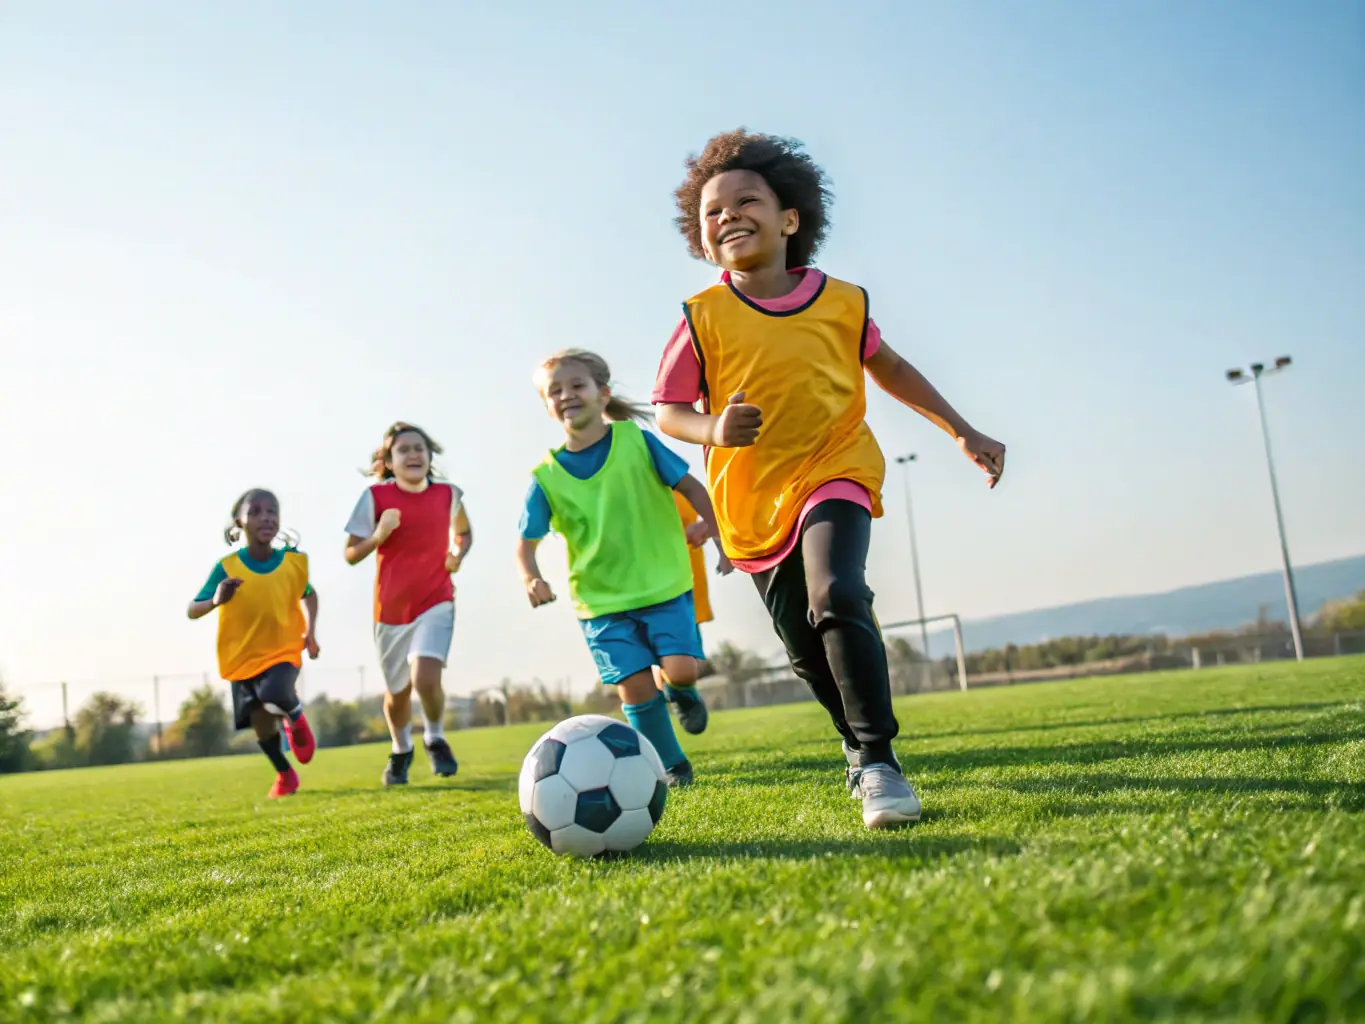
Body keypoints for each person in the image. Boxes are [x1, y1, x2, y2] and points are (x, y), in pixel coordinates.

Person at [654, 129, 1007, 828]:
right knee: (804, 648)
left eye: (744, 200)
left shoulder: (841, 303)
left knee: (837, 591)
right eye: (711, 213)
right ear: (700, 239)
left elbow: (893, 369)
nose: (726, 216)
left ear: (790, 219)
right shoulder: (701, 318)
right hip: (751, 500)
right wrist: (713, 428)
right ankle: (852, 743)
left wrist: (961, 429)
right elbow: (668, 411)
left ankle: (879, 761)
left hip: (835, 466)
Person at [517, 348, 718, 787]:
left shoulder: (636, 440)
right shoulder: (546, 476)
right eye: (555, 391)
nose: (567, 395)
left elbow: (690, 485)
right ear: (546, 406)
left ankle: (682, 691)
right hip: (600, 601)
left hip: (663, 583)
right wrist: (532, 576)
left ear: (602, 394)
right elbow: (526, 543)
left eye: (577, 385)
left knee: (681, 668)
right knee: (634, 686)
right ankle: (673, 766)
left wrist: (714, 527)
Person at [345, 422, 471, 786]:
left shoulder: (449, 494)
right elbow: (351, 553)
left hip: (436, 599)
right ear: (388, 460)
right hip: (390, 612)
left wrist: (457, 552)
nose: (413, 454)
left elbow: (463, 532)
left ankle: (435, 737)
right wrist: (379, 535)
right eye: (403, 450)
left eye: (420, 448)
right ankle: (401, 750)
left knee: (426, 677)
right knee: (397, 693)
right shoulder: (375, 498)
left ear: (430, 456)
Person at [187, 489, 319, 798]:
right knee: (261, 725)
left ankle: (297, 719)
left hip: (284, 648)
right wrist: (216, 600)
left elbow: (309, 594)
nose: (266, 517)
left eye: (272, 511)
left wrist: (310, 633)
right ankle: (285, 775)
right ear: (240, 522)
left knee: (275, 691)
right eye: (256, 511)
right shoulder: (228, 567)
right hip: (243, 657)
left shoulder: (290, 563)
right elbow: (193, 609)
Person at [651, 489, 733, 734]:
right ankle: (659, 706)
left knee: (690, 659)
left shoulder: (680, 483)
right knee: (654, 651)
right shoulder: (629, 482)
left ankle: (677, 691)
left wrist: (722, 549)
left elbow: (711, 511)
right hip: (649, 583)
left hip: (687, 580)